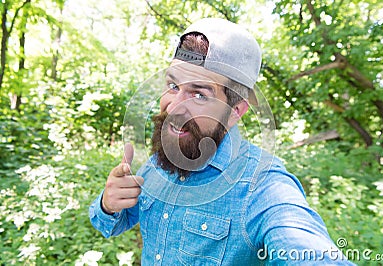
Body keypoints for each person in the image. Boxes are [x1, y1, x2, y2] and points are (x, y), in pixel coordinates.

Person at [89, 18, 354, 265]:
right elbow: (108, 223)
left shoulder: (263, 187)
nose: (174, 107)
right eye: (173, 86)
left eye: (200, 95)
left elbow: (306, 245)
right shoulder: (160, 162)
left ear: (235, 112)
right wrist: (109, 204)